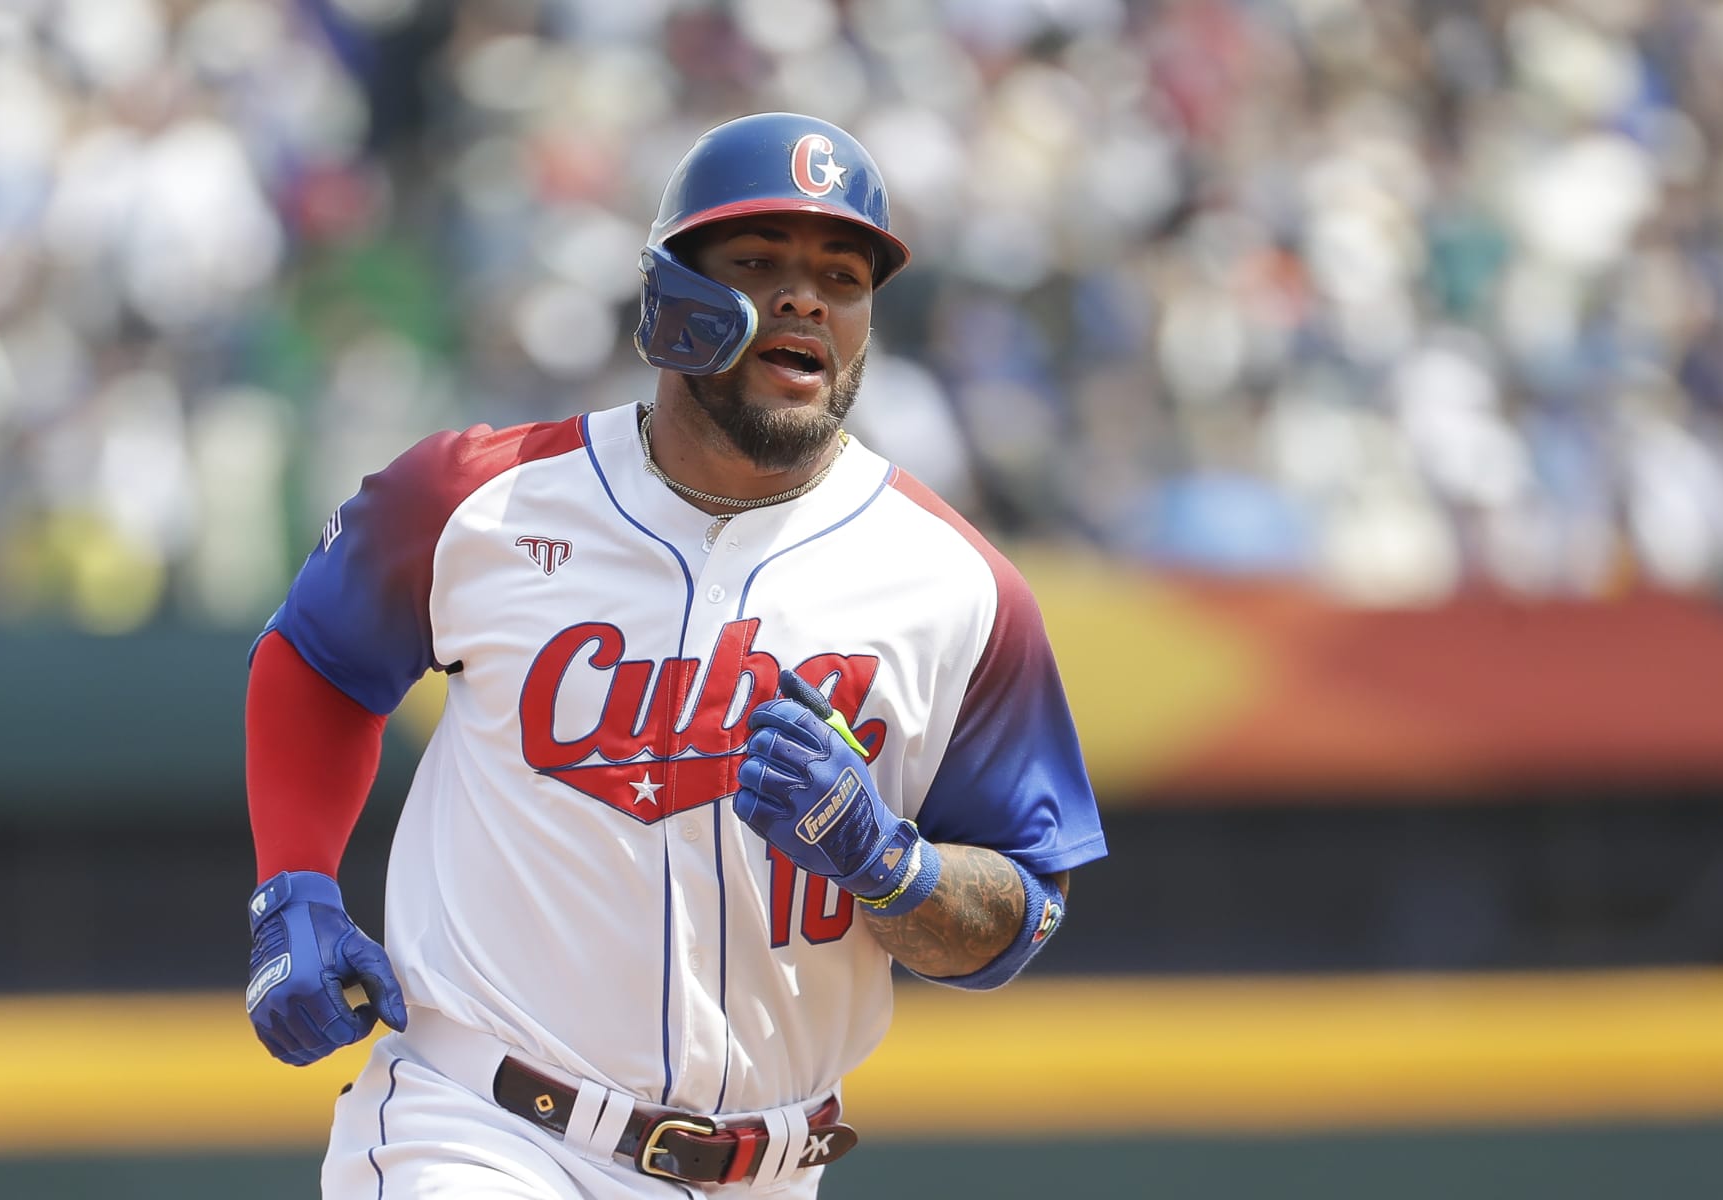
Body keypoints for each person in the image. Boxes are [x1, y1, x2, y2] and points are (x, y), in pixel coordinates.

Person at [242, 111, 1107, 1199]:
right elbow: (317, 659)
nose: (806, 299)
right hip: (481, 1127)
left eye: (842, 278)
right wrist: (295, 885)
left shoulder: (957, 586)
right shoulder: (481, 500)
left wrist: (895, 868)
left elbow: (1016, 918)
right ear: (671, 297)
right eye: (758, 264)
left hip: (773, 1166)